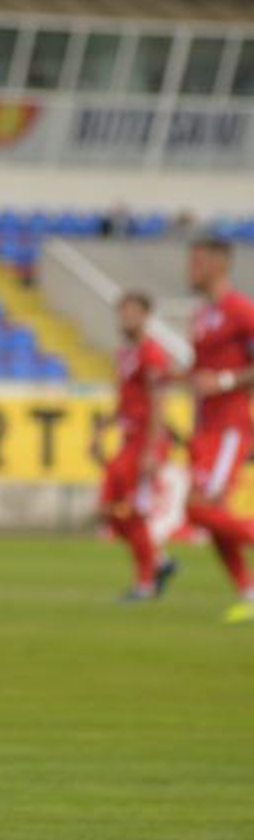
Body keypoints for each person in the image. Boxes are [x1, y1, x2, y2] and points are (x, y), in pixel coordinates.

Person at [168, 238, 254, 624]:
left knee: (198, 508)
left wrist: (222, 381)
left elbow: (225, 374)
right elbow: (199, 370)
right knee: (207, 510)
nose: (191, 268)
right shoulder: (203, 315)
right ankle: (248, 593)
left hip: (229, 426)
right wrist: (175, 376)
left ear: (220, 264)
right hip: (205, 428)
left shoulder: (240, 309)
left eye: (197, 261)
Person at [91, 293, 177, 602]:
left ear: (146, 316)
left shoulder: (153, 354)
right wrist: (101, 431)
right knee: (108, 510)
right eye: (122, 312)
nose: (125, 318)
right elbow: (125, 400)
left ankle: (146, 582)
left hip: (145, 444)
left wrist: (152, 450)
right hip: (128, 442)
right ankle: (161, 562)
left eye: (132, 312)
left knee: (134, 511)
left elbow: (158, 403)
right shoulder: (125, 353)